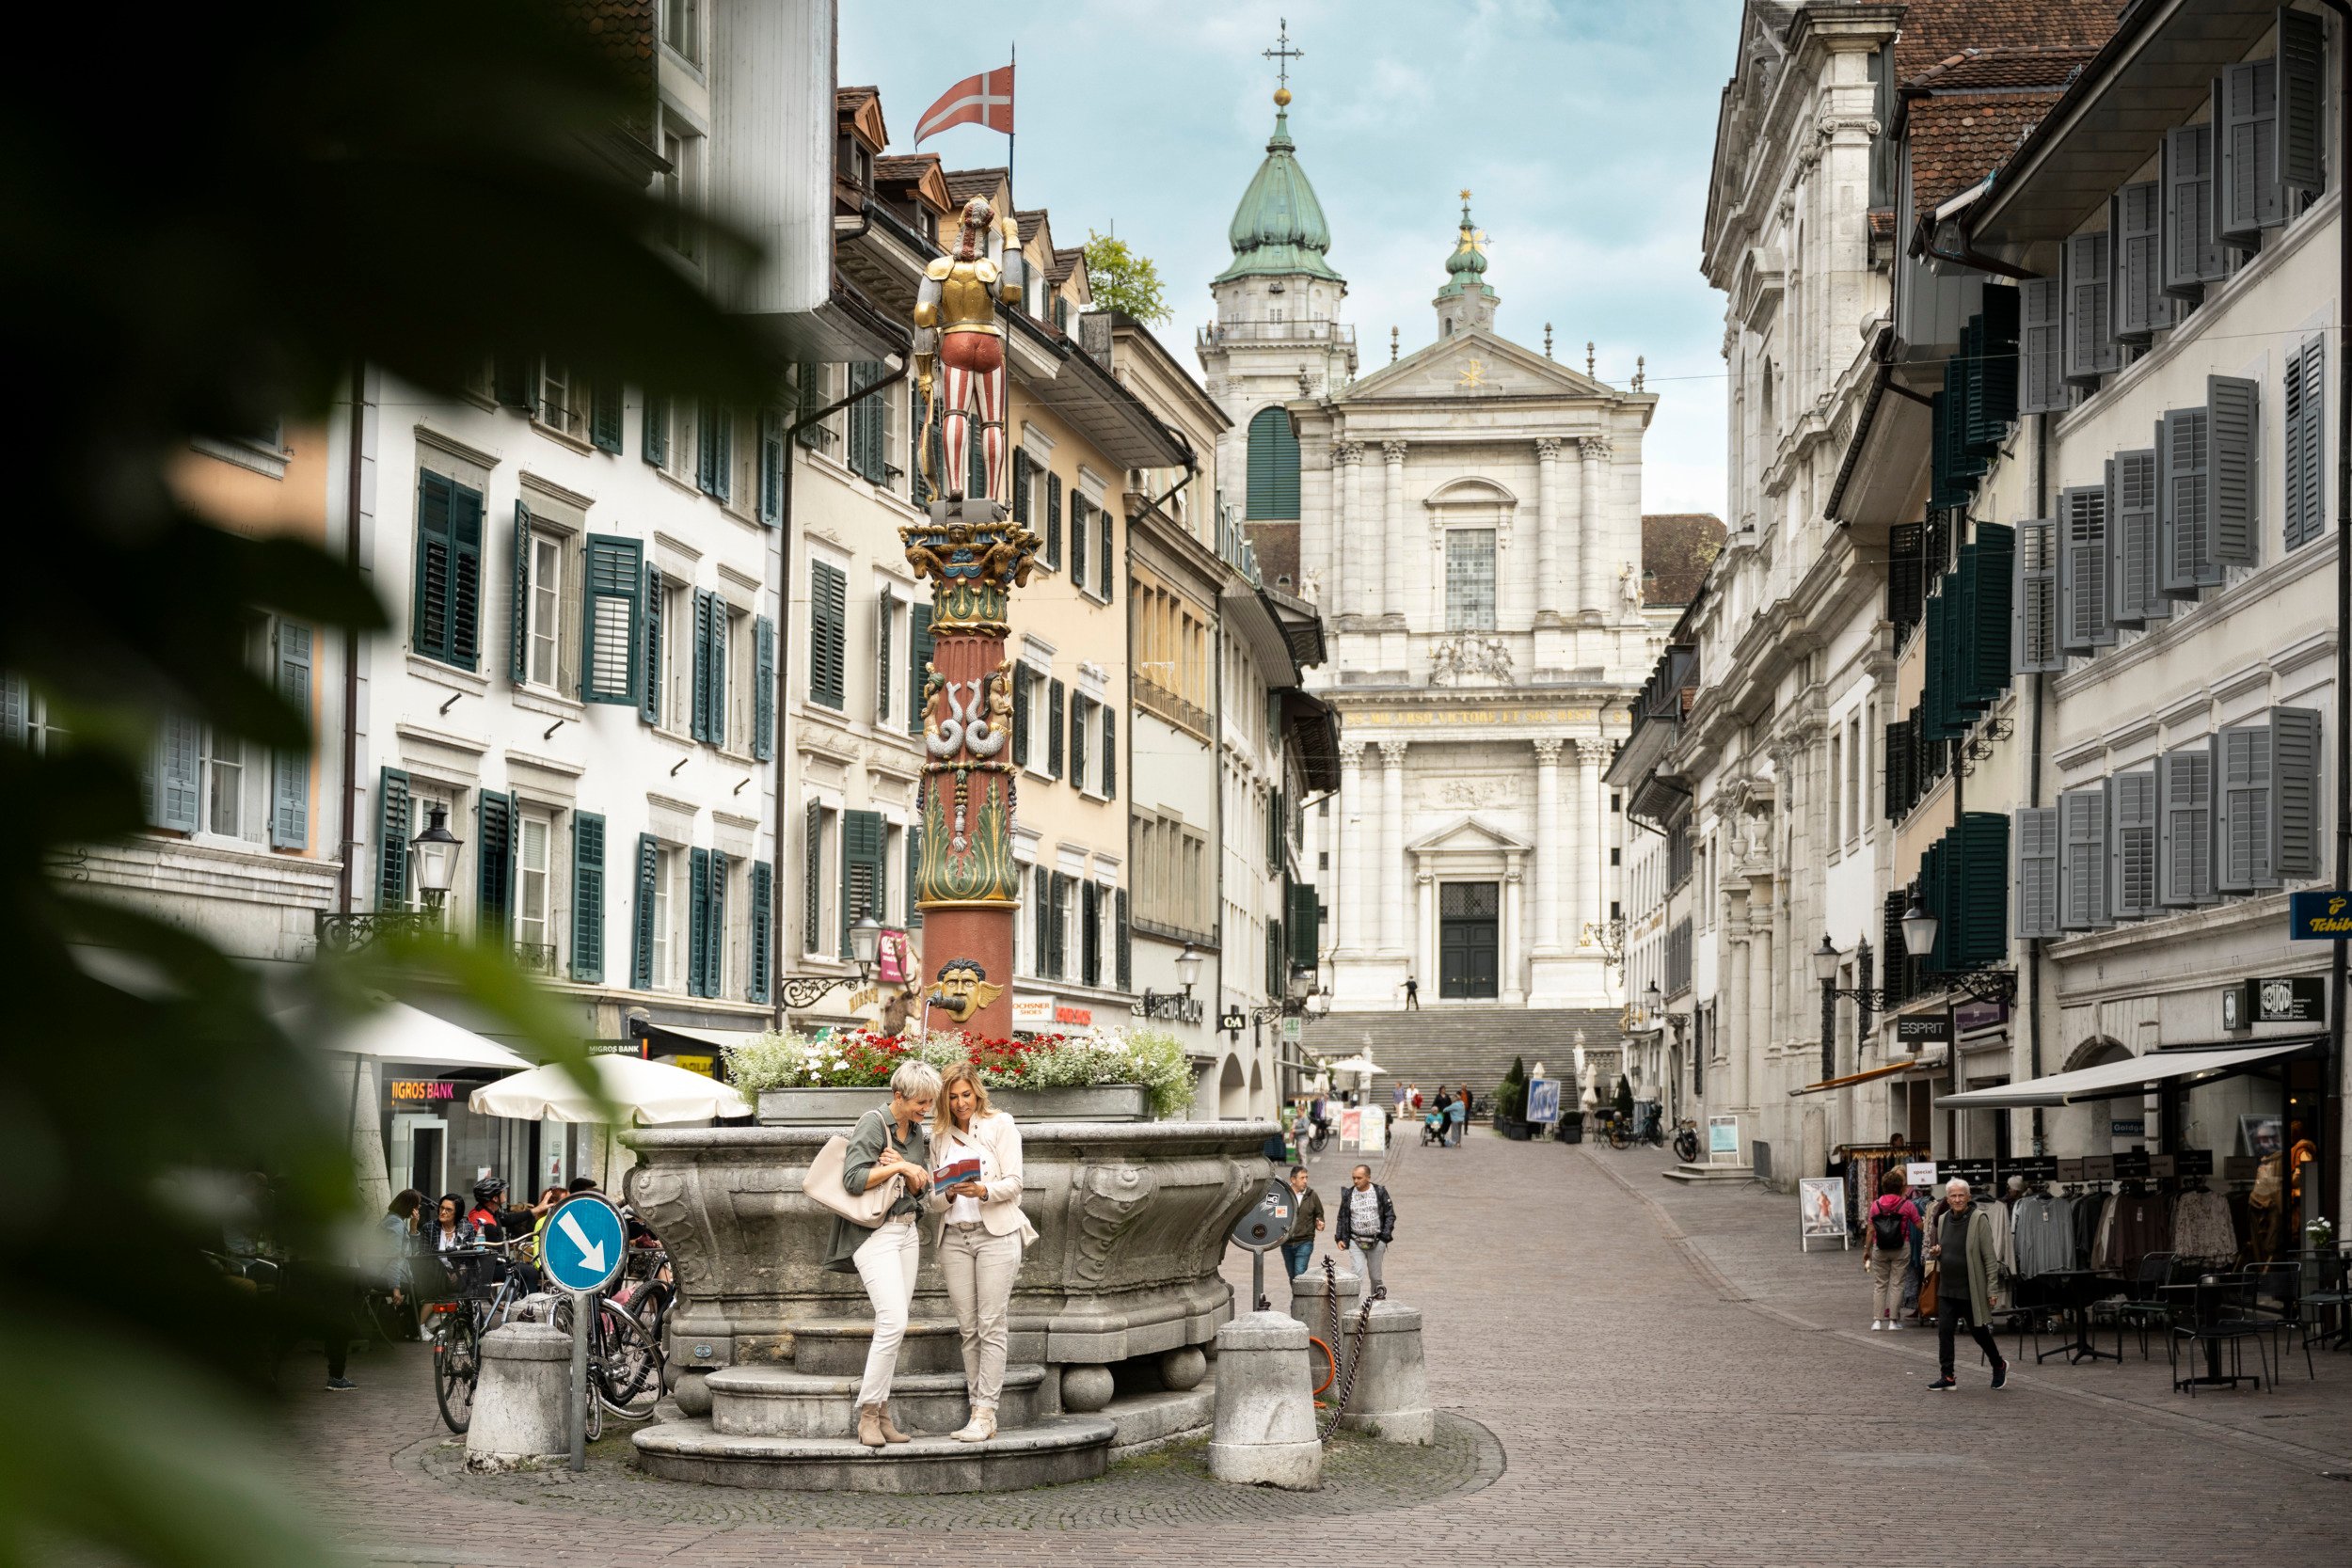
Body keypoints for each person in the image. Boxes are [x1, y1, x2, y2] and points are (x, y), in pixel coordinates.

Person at [821, 1059, 937, 1448]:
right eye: (920, 1102)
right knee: (893, 1321)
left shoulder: (918, 1131)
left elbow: (919, 1188)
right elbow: (853, 1180)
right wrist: (900, 1166)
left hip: (907, 1233)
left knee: (896, 1327)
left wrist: (908, 1171)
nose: (927, 1109)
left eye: (929, 1102)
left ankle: (884, 1412)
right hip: (875, 1234)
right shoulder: (873, 1123)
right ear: (898, 1095)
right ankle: (868, 1415)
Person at [928, 1061, 1037, 1444]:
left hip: (995, 1234)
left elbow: (1016, 1183)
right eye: (953, 1097)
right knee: (969, 1328)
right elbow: (932, 1201)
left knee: (992, 1324)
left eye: (966, 1095)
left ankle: (985, 1412)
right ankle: (978, 1409)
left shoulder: (1000, 1124)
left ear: (977, 1091)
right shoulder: (939, 1137)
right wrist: (949, 1193)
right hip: (955, 1236)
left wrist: (984, 1190)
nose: (960, 1104)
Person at [1926, 1178, 2010, 1391]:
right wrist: (1937, 1253)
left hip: (1970, 1287)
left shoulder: (1979, 1219)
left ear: (1968, 1197)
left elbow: (1990, 1258)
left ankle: (1998, 1364)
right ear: (1947, 1199)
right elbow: (1947, 1249)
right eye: (1953, 1196)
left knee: (1979, 1332)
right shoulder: (1943, 1219)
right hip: (1947, 1286)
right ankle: (1948, 1376)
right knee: (1944, 1332)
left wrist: (1992, 1289)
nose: (1957, 1199)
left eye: (1961, 1195)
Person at [1862, 1169, 1920, 1331]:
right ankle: (1894, 1321)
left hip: (1880, 1248)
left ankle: (1877, 1321)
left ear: (1883, 1186)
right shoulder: (1907, 1205)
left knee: (1880, 1284)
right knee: (1897, 1284)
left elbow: (1870, 1230)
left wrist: (1867, 1250)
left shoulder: (1876, 1205)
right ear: (1901, 1186)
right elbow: (1919, 1225)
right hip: (1902, 1247)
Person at [1333, 1164, 1394, 1294]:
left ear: (1368, 1177)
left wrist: (1384, 1238)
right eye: (1353, 1178)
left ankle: (1376, 1306)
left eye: (1359, 1178)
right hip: (1356, 1241)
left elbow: (1390, 1215)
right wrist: (1339, 1238)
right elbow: (1342, 1217)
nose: (1355, 1181)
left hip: (1377, 1241)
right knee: (1356, 1276)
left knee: (1376, 1278)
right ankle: (1356, 1310)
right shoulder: (1348, 1194)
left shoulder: (1379, 1192)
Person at [1280, 1164, 1325, 1279]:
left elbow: (1319, 1213)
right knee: (1292, 1276)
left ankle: (1299, 1297)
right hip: (1286, 1242)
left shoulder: (1312, 1195)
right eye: (1302, 1178)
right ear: (1293, 1180)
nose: (1305, 1181)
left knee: (1299, 1273)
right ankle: (1297, 1297)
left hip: (1305, 1241)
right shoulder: (1284, 1195)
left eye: (1306, 1177)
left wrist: (1320, 1222)